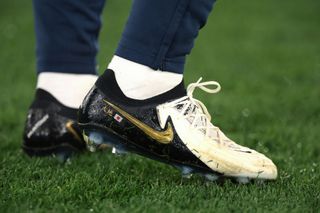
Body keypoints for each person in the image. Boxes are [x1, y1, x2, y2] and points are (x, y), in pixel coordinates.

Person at [22, 0, 277, 182]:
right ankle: (146, 82)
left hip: (53, 103)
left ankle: (63, 97)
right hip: (141, 91)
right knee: (148, 70)